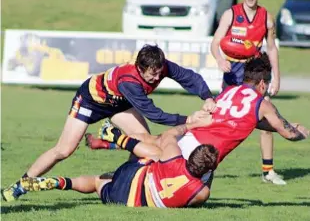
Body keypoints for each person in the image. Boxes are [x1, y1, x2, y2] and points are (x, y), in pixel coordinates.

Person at [2, 44, 215, 202]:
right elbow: (153, 113)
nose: (156, 78)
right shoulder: (129, 80)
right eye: (152, 75)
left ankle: (129, 179)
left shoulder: (160, 65)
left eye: (159, 73)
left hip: (119, 104)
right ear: (140, 68)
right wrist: (189, 120)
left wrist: (207, 97)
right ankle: (22, 184)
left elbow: (188, 77)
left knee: (148, 142)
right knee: (64, 150)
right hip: (90, 101)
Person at [103, 53, 309, 187]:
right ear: (263, 83)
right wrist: (300, 132)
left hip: (192, 136)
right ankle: (113, 171)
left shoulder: (230, 91)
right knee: (163, 177)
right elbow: (289, 134)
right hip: (202, 152)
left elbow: (248, 121)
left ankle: (113, 148)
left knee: (155, 151)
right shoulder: (262, 103)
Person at [18, 117, 219, 208]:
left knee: (158, 152)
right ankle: (61, 183)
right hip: (130, 200)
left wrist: (195, 124)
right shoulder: (202, 192)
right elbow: (194, 196)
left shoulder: (174, 158)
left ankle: (115, 137)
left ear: (190, 157)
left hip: (135, 174)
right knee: (97, 182)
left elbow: (170, 134)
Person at [210, 0, 283, 184]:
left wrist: (276, 78)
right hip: (232, 70)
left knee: (268, 115)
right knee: (219, 119)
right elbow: (215, 42)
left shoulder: (267, 18)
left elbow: (272, 48)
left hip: (254, 70)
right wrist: (219, 59)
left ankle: (268, 172)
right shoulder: (230, 14)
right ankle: (205, 165)